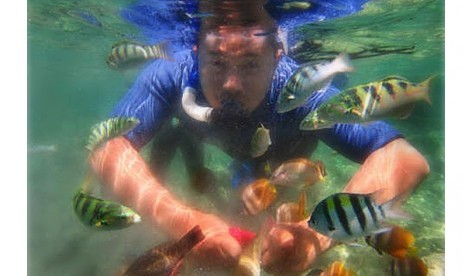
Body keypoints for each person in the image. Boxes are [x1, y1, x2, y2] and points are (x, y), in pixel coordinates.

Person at [89, 0, 430, 274]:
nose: (230, 84)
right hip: (212, 140)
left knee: (270, 192)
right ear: (195, 50)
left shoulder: (299, 89)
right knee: (195, 159)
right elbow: (106, 148)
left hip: (286, 153)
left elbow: (405, 159)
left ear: (276, 54)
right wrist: (185, 222)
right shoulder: (171, 73)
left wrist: (316, 237)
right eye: (217, 61)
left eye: (250, 63)